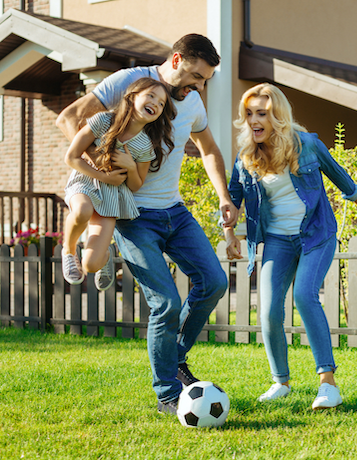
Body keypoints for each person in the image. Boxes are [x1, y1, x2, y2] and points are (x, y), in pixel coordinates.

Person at [56, 34, 239, 415]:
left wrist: (224, 196)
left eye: (205, 80)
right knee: (166, 303)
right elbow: (70, 118)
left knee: (215, 283)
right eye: (195, 76)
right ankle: (168, 394)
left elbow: (208, 150)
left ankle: (174, 359)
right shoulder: (128, 82)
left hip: (175, 211)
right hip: (132, 215)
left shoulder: (191, 101)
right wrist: (104, 164)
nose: (200, 87)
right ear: (176, 60)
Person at [223, 83, 357, 410]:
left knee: (306, 295)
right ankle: (281, 382)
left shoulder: (306, 145)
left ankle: (328, 384)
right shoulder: (247, 156)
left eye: (261, 113)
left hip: (315, 233)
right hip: (278, 240)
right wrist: (229, 233)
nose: (253, 120)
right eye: (248, 114)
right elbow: (233, 198)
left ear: (277, 115)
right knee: (268, 310)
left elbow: (338, 174)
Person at [61, 78, 176, 291]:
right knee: (82, 210)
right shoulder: (103, 121)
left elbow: (135, 185)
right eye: (151, 95)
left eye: (161, 103)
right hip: (86, 181)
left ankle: (104, 256)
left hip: (112, 196)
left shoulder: (145, 146)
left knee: (90, 264)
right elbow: (72, 157)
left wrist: (131, 167)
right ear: (132, 97)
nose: (156, 104)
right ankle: (68, 251)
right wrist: (103, 176)